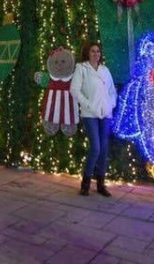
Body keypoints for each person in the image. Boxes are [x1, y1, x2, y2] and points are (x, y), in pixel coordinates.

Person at [69, 40, 117, 197]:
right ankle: (86, 182)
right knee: (95, 147)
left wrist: (111, 105)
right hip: (90, 114)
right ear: (87, 53)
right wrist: (88, 105)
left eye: (98, 51)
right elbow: (74, 90)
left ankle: (101, 184)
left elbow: (112, 91)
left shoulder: (105, 70)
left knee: (103, 149)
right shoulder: (81, 68)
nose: (96, 54)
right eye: (92, 51)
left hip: (105, 115)